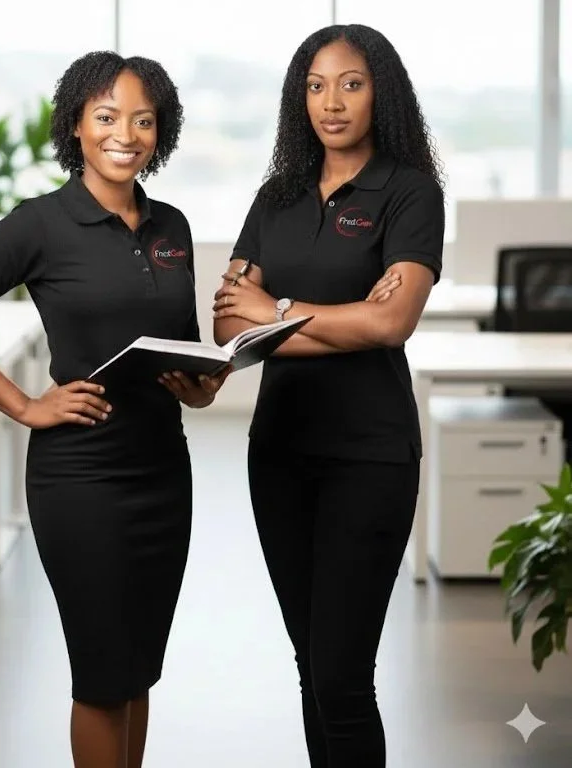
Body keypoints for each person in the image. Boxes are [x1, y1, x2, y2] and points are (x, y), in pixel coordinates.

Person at [0, 51, 228, 768]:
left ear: (161, 132)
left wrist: (202, 383)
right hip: (80, 477)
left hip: (161, 471)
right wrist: (25, 404)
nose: (127, 133)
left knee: (140, 666)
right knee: (102, 676)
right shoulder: (39, 224)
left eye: (143, 120)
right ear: (77, 128)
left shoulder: (172, 225)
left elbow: (178, 344)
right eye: (108, 117)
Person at [213, 24, 444, 768]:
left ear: (382, 91)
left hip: (368, 457)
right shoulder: (274, 196)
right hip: (278, 452)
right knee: (312, 667)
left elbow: (392, 320)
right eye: (315, 86)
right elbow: (225, 318)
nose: (331, 102)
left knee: (343, 678)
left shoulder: (408, 192)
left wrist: (275, 311)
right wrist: (342, 322)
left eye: (350, 83)